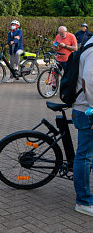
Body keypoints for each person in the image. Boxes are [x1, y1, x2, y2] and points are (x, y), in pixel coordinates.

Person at [72, 35, 93, 216]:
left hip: (85, 107)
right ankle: (83, 201)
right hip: (87, 110)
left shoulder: (89, 44)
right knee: (84, 156)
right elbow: (90, 80)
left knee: (87, 154)